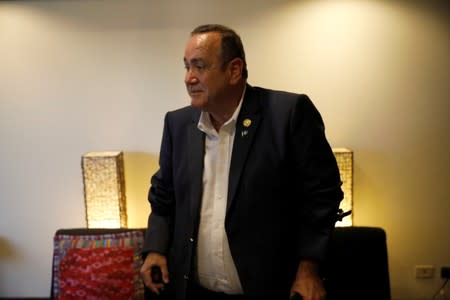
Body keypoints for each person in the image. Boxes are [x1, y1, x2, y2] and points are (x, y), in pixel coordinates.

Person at [140, 24, 343, 300]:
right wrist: (155, 248)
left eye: (199, 66)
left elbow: (322, 197)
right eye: (186, 67)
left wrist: (308, 269)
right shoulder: (178, 124)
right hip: (193, 290)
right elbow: (163, 195)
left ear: (234, 70)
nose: (189, 78)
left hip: (270, 289)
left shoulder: (288, 115)